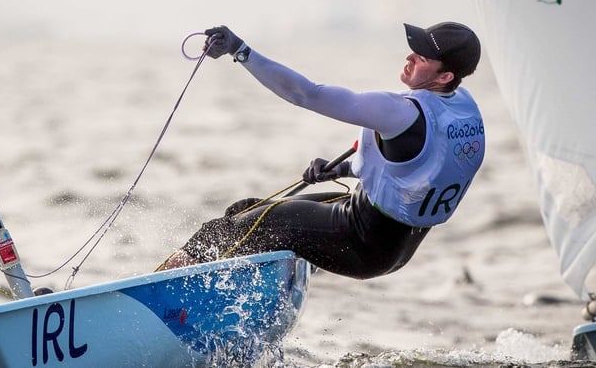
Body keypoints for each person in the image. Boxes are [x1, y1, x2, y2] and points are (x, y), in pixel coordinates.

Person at [158, 22, 485, 279]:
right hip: (397, 246)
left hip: (361, 237)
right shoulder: (463, 109)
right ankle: (234, 294)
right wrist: (343, 169)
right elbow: (416, 168)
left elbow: (306, 94)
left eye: (422, 57)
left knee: (233, 229)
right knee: (248, 210)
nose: (409, 57)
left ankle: (162, 292)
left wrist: (240, 49)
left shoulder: (398, 111)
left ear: (445, 75)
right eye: (413, 50)